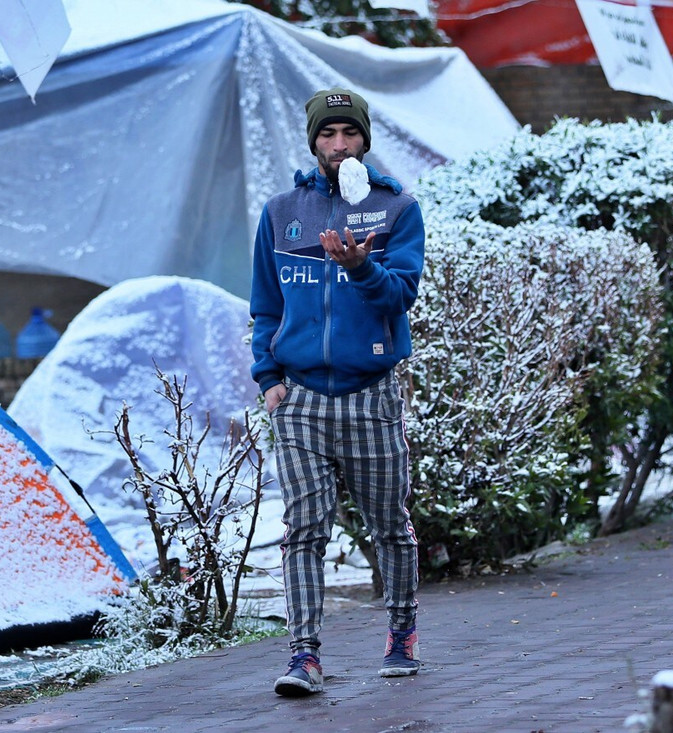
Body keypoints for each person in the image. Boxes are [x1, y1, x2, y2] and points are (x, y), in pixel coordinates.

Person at [249, 87, 425, 697]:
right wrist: (270, 380)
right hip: (299, 398)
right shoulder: (280, 212)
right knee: (304, 528)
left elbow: (401, 296)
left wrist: (359, 266)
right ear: (314, 141)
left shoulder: (396, 208)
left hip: (370, 393)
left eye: (350, 133)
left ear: (364, 140)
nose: (340, 144)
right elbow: (266, 306)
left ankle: (401, 633)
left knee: (389, 525)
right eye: (328, 134)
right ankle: (304, 656)